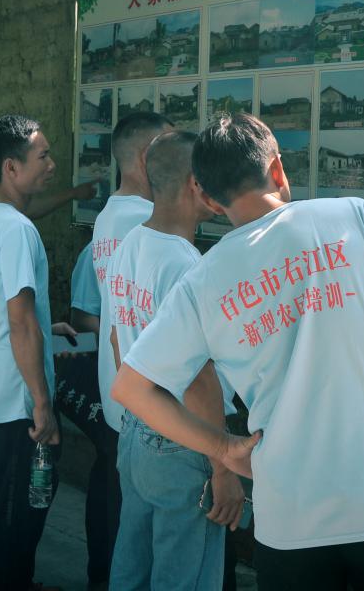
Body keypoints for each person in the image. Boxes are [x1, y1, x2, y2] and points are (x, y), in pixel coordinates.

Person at [112, 113, 364, 590]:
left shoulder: (201, 280)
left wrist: (223, 448)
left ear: (208, 197)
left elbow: (131, 387)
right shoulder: (351, 216)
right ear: (278, 170)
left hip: (288, 518)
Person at [105, 131, 243, 589]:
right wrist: (222, 466)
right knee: (183, 575)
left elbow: (117, 339)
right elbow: (198, 378)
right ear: (195, 183)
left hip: (137, 429)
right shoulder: (186, 265)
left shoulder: (130, 244)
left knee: (133, 565)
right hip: (184, 438)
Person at [0, 114, 74, 591]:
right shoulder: (15, 229)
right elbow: (19, 320)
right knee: (17, 514)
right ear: (11, 168)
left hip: (2, 392)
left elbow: (10, 314)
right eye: (43, 156)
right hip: (19, 403)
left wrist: (45, 329)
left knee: (12, 509)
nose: (52, 165)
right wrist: (42, 404)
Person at [86, 111, 173, 584]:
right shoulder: (144, 222)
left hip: (120, 390)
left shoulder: (110, 216)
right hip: (147, 401)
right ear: (147, 157)